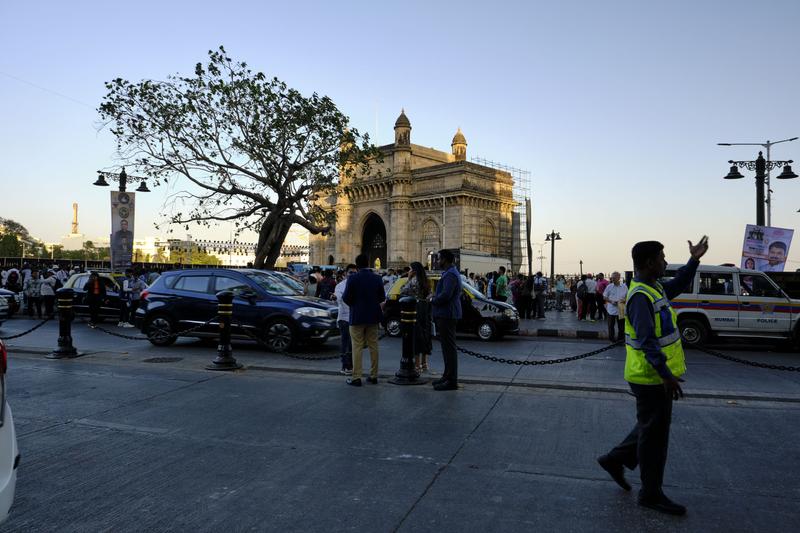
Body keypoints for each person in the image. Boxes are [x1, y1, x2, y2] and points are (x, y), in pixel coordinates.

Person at [597, 236, 708, 516]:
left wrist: (694, 260)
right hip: (649, 378)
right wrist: (666, 375)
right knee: (655, 438)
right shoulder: (639, 297)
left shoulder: (653, 287)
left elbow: (677, 285)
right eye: (662, 258)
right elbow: (647, 342)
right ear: (649, 263)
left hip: (653, 377)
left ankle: (614, 459)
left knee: (650, 426)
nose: (666, 262)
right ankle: (650, 494)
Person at [342, 254, 385, 386]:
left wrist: (355, 306)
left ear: (357, 265)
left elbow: (346, 297)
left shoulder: (353, 278)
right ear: (369, 262)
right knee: (373, 346)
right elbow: (382, 297)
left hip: (357, 316)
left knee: (357, 347)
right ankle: (373, 375)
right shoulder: (377, 278)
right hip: (373, 316)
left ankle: (356, 377)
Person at [429, 249, 462, 391]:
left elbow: (446, 295)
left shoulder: (451, 275)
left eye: (439, 259)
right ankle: (447, 376)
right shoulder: (449, 273)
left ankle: (451, 380)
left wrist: (433, 299)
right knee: (446, 348)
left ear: (446, 260)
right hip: (446, 314)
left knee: (449, 349)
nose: (437, 261)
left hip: (447, 314)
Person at [400, 261, 433, 374]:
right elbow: (430, 295)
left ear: (414, 271)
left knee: (417, 337)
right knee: (425, 336)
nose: (408, 271)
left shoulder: (413, 281)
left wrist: (408, 279)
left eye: (410, 269)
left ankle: (417, 365)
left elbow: (402, 291)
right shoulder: (426, 281)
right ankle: (424, 364)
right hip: (425, 310)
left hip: (416, 310)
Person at [333, 264, 357, 375]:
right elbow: (337, 296)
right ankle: (345, 366)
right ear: (345, 273)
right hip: (344, 318)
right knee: (346, 343)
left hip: (356, 317)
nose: (352, 274)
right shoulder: (341, 286)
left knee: (354, 344)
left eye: (354, 272)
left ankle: (352, 365)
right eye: (350, 272)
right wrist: (334, 297)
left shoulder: (359, 285)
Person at [602, 271, 627, 342]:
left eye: (614, 278)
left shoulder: (624, 287)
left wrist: (624, 300)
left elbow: (627, 296)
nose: (612, 279)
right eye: (612, 278)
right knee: (610, 326)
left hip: (621, 309)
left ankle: (621, 339)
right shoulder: (609, 287)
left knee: (621, 327)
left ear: (618, 278)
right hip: (611, 310)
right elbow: (604, 297)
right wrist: (611, 301)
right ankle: (611, 340)